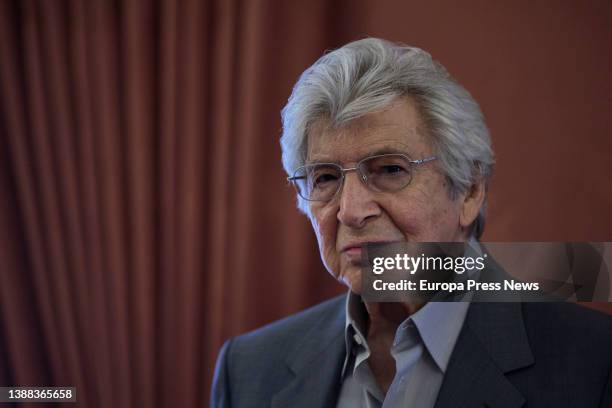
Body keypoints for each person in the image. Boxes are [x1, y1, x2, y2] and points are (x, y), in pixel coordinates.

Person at [210, 38, 612, 407]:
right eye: (326, 178)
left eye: (389, 169)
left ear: (469, 191)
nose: (350, 210)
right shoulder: (248, 372)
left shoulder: (594, 362)